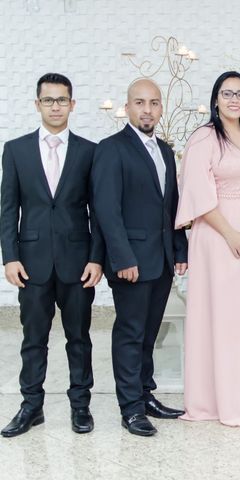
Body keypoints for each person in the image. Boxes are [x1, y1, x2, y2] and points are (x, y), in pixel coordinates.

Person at [0, 73, 103, 437]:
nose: (56, 106)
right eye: (49, 100)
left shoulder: (91, 152)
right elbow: (8, 207)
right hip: (31, 263)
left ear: (73, 105)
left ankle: (80, 406)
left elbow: (98, 210)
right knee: (33, 339)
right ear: (37, 104)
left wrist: (97, 258)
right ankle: (31, 406)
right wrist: (9, 257)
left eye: (62, 100)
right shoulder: (15, 150)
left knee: (79, 337)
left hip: (78, 263)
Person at [175, 71, 240, 427]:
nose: (234, 99)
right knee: (220, 316)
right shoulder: (204, 138)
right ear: (216, 99)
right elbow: (196, 191)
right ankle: (216, 401)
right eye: (227, 93)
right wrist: (230, 234)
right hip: (217, 236)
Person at [92, 79, 188, 436]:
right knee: (130, 334)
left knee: (150, 334)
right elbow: (106, 210)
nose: (147, 110)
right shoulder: (111, 149)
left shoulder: (164, 150)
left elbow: (171, 205)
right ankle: (130, 408)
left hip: (161, 260)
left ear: (161, 108)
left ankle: (146, 395)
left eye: (154, 103)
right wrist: (121, 258)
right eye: (139, 103)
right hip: (131, 262)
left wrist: (180, 250)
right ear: (128, 107)